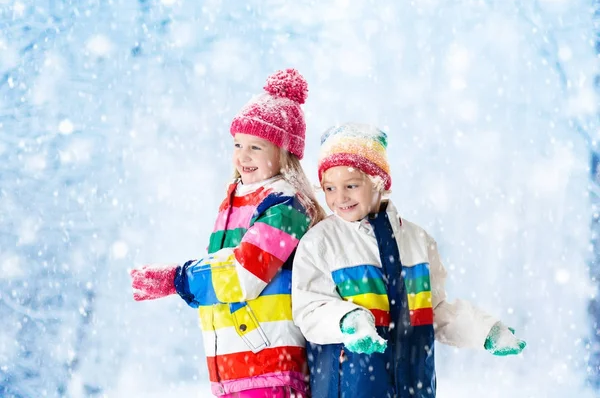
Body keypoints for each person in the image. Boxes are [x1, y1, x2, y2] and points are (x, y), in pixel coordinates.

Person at [291, 122, 526, 398]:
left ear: (379, 181)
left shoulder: (417, 241)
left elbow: (434, 310)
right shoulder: (321, 242)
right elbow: (308, 309)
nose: (339, 197)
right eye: (329, 188)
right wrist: (347, 321)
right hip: (350, 387)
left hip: (414, 386)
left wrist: (484, 330)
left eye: (351, 185)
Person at [129, 69, 326, 398]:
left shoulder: (286, 207)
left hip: (269, 367)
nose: (243, 156)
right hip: (235, 369)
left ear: (284, 152)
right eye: (238, 144)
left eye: (256, 147)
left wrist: (177, 278)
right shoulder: (234, 202)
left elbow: (243, 274)